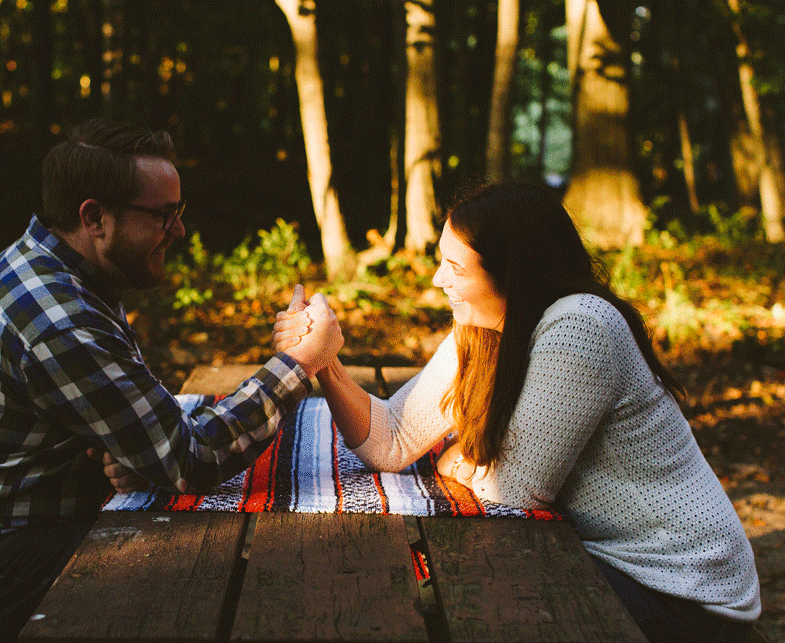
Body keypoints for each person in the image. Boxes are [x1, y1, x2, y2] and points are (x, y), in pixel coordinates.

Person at [0, 118, 343, 643]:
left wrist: (128, 452)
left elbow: (143, 423)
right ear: (94, 218)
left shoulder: (71, 272)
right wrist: (300, 363)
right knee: (206, 568)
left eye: (179, 211)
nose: (179, 231)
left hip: (7, 531)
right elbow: (191, 458)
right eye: (164, 215)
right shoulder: (59, 320)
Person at [273, 181, 760, 643]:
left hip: (679, 590)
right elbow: (392, 439)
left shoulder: (581, 326)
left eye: (456, 268)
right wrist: (322, 362)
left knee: (467, 596)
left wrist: (460, 459)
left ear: (511, 273)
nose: (439, 279)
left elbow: (516, 492)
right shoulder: (485, 325)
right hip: (602, 554)